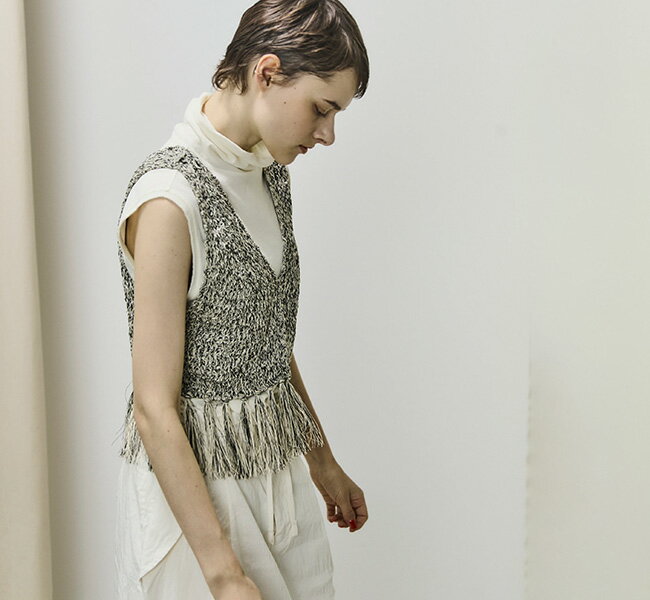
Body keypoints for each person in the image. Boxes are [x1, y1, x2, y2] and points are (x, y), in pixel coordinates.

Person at [112, 1, 370, 598]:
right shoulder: (168, 198)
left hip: (274, 470)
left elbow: (263, 339)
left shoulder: (269, 174)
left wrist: (321, 460)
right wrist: (223, 572)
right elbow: (153, 407)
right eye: (322, 109)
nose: (327, 134)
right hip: (196, 506)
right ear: (267, 72)